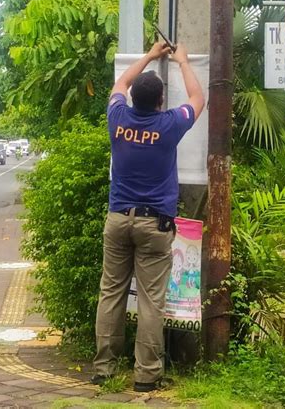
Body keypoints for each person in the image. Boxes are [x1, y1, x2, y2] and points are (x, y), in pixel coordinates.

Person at [91, 42, 205, 392]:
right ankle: (146, 375)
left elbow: (119, 85)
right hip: (155, 226)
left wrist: (150, 56)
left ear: (134, 100)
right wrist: (183, 61)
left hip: (118, 219)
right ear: (160, 102)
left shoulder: (118, 117)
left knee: (111, 293)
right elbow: (198, 99)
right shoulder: (169, 124)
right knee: (151, 300)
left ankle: (104, 369)